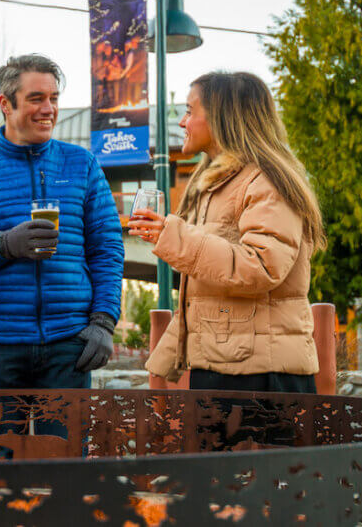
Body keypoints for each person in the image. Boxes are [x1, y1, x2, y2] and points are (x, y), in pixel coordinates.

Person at [0, 54, 124, 455]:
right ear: (6, 103)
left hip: (69, 344)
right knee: (3, 471)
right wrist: (3, 245)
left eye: (54, 98)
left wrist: (104, 321)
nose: (49, 109)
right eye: (36, 98)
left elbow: (107, 248)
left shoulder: (83, 165)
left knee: (67, 466)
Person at [130, 71, 326, 394]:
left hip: (263, 378)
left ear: (222, 117)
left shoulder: (267, 180)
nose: (182, 122)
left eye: (190, 111)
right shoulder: (211, 184)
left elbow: (261, 267)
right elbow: (206, 285)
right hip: (226, 367)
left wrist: (175, 236)